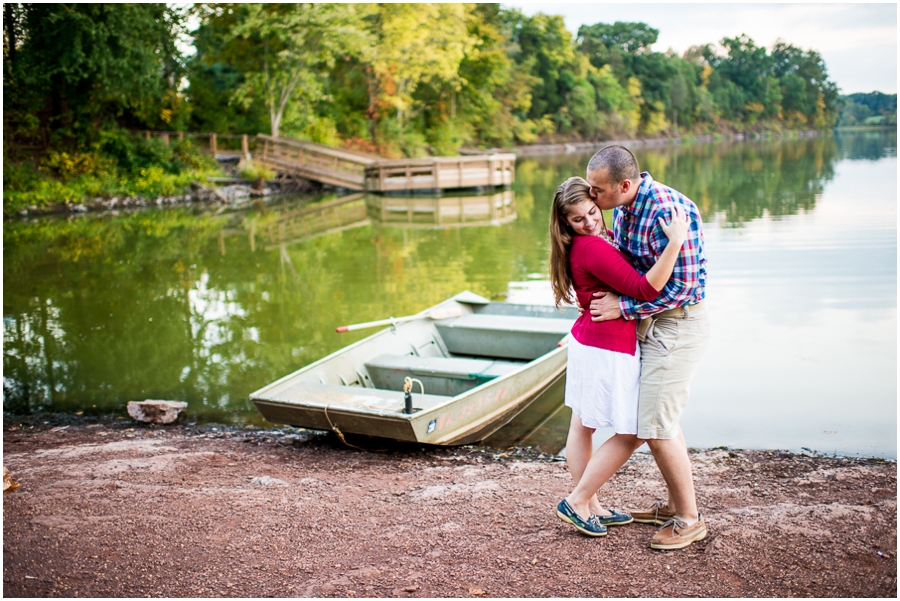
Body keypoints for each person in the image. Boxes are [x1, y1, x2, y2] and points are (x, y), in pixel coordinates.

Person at [548, 176, 690, 537]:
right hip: (606, 346)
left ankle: (591, 505)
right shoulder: (592, 248)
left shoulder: (593, 241)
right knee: (633, 430)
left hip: (591, 339)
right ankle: (579, 501)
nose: (590, 222)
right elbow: (646, 288)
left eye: (593, 212)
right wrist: (674, 242)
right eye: (578, 219)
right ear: (565, 222)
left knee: (583, 425)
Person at [585, 144, 710, 550]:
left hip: (678, 326)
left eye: (597, 191)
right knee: (662, 418)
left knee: (654, 428)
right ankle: (673, 504)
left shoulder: (672, 210)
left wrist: (623, 307)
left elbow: (685, 288)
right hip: (648, 324)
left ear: (624, 184)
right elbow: (626, 267)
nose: (593, 198)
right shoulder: (621, 208)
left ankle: (689, 520)